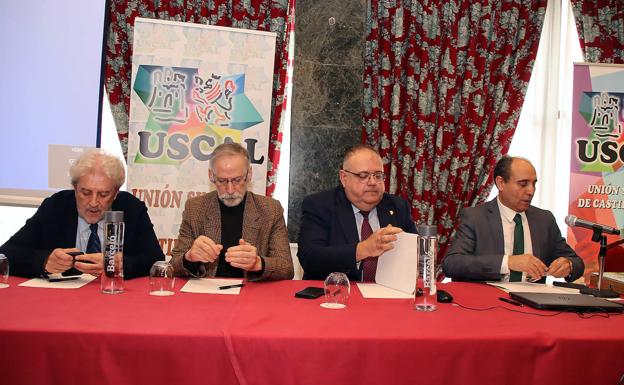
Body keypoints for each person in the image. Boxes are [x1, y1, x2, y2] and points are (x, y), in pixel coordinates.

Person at [0, 150, 164, 279]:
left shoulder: (131, 209)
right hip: (61, 301)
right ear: (75, 188)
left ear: (115, 193)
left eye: (103, 194)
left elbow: (155, 259)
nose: (93, 202)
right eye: (85, 193)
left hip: (114, 299)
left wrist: (120, 264)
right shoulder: (56, 206)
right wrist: (44, 261)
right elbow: (6, 254)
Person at [443, 156, 584, 282]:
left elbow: (577, 262)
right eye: (523, 184)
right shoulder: (476, 217)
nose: (531, 191)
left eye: (534, 183)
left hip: (534, 304)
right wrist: (508, 262)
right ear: (501, 183)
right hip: (489, 303)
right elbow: (453, 264)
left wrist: (568, 265)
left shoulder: (544, 219)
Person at [171, 143, 293, 281]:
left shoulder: (270, 209)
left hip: (252, 294)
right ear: (211, 176)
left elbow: (287, 268)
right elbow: (173, 267)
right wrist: (189, 257)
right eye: (222, 181)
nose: (230, 190)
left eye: (237, 180)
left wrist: (258, 263)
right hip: (207, 294)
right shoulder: (195, 208)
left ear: (249, 174)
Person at [297, 144, 417, 281]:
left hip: (388, 295)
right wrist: (363, 249)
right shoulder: (320, 205)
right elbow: (310, 258)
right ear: (344, 178)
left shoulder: (397, 206)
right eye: (363, 175)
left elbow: (417, 255)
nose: (372, 182)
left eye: (378, 175)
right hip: (336, 296)